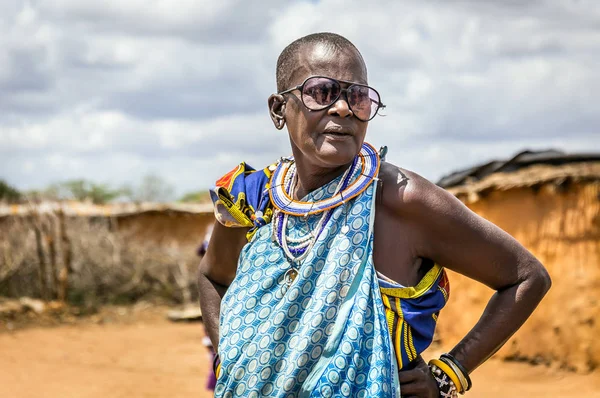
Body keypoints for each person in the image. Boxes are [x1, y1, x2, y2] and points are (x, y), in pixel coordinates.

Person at [198, 32, 551, 397]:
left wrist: (449, 375)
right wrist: (232, 357)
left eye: (357, 96)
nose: (342, 108)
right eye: (321, 92)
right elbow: (213, 277)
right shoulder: (251, 197)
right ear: (278, 109)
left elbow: (526, 277)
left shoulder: (400, 199)